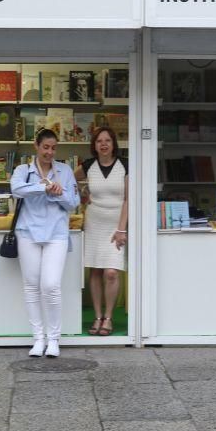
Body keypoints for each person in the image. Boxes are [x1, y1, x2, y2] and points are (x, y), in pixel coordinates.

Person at [10, 129, 80, 358]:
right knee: (31, 286)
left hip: (56, 233)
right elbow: (16, 189)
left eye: (53, 148)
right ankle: (38, 338)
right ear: (36, 146)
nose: (49, 152)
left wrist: (57, 192)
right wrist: (43, 186)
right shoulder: (24, 170)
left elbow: (73, 202)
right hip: (27, 232)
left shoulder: (65, 170)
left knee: (50, 285)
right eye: (45, 147)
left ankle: (54, 339)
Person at [73, 127, 127, 337]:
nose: (103, 144)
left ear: (114, 144)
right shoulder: (88, 165)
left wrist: (122, 229)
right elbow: (70, 180)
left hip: (116, 225)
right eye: (99, 141)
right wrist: (83, 194)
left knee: (111, 272)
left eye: (107, 140)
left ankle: (109, 317)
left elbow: (127, 200)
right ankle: (97, 317)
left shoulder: (125, 165)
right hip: (94, 221)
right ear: (94, 145)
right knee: (95, 271)